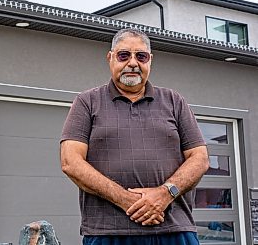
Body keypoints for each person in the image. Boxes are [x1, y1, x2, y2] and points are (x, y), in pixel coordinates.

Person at [60, 28, 209, 245]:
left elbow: (200, 158)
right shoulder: (87, 102)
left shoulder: (174, 101)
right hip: (107, 233)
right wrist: (127, 200)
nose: (132, 63)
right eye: (124, 55)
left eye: (141, 56)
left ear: (150, 60)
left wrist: (164, 194)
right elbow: (70, 162)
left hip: (174, 231)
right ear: (110, 58)